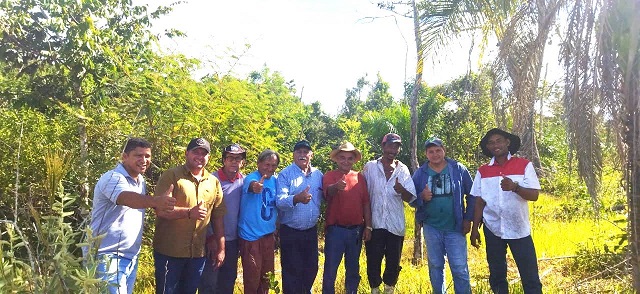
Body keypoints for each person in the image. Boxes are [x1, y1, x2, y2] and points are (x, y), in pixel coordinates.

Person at [87, 137, 176, 294]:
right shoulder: (112, 178)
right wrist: (156, 201)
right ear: (124, 156)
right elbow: (128, 199)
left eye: (147, 156)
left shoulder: (140, 181)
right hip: (107, 255)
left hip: (130, 255)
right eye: (138, 155)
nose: (144, 160)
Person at [470, 128, 543, 294]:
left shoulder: (524, 165)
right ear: (488, 147)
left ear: (507, 143)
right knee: (497, 275)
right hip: (493, 229)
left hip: (519, 229)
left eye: (499, 141)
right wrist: (475, 230)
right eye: (491, 142)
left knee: (530, 276)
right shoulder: (483, 171)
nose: (495, 145)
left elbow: (534, 195)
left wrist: (515, 187)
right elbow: (479, 201)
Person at [153, 137, 226, 294]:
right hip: (169, 252)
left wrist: (221, 248)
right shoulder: (171, 176)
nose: (199, 156)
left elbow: (218, 217)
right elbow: (159, 210)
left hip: (197, 254)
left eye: (204, 153)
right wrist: (188, 213)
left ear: (209, 157)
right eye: (195, 152)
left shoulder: (213, 182)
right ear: (186, 153)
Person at [412, 137, 475, 294]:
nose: (435, 154)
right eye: (431, 152)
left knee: (459, 267)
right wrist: (421, 197)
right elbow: (411, 198)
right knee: (435, 266)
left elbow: (473, 194)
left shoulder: (458, 169)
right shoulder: (421, 173)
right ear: (426, 154)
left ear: (444, 150)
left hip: (455, 226)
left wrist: (468, 218)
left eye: (438, 150)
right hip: (431, 227)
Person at [362, 133, 417, 294]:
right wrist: (366, 224)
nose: (392, 149)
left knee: (393, 261)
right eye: (390, 145)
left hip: (395, 224)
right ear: (383, 146)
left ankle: (389, 289)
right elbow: (362, 194)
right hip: (375, 224)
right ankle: (374, 289)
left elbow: (410, 198)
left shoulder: (403, 169)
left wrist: (401, 190)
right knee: (373, 260)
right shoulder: (370, 167)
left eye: (396, 146)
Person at [322, 141, 372, 294]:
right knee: (330, 270)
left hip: (356, 231)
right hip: (335, 231)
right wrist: (335, 187)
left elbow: (365, 203)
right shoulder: (329, 176)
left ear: (354, 160)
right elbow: (327, 193)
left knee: (352, 269)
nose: (345, 161)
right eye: (342, 157)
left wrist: (368, 226)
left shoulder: (359, 177)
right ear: (336, 159)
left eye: (349, 158)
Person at [276, 140, 324, 293]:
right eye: (299, 152)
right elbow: (280, 201)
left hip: (310, 231)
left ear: (311, 155)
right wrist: (296, 198)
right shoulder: (285, 174)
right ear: (293, 155)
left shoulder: (318, 174)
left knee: (311, 268)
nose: (302, 155)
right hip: (290, 231)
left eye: (306, 152)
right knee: (291, 271)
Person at [199, 143, 247, 294]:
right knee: (209, 283)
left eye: (238, 158)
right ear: (224, 160)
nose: (234, 162)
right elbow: (204, 211)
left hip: (233, 241)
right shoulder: (211, 180)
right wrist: (210, 237)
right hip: (212, 240)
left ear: (242, 162)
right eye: (230, 158)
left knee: (227, 281)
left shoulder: (245, 182)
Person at [238, 149, 280, 294]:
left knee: (267, 278)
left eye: (273, 165)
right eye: (266, 164)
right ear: (258, 163)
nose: (270, 168)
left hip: (268, 236)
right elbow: (251, 186)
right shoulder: (251, 178)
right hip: (251, 238)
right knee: (252, 279)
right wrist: (255, 187)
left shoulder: (275, 181)